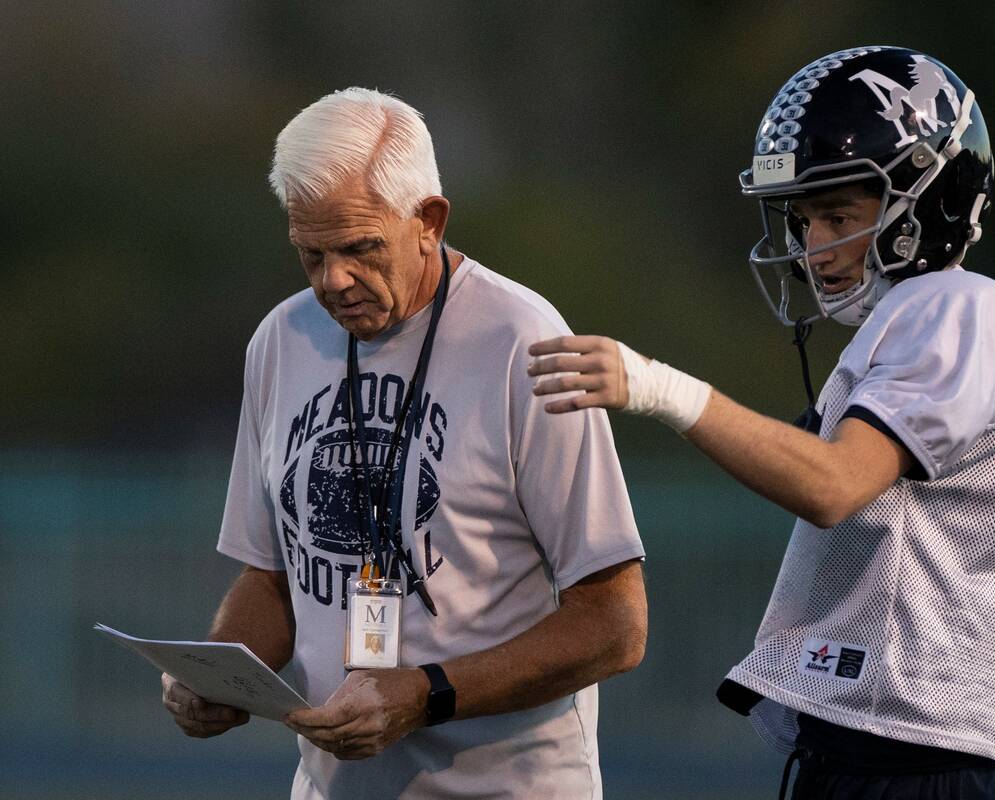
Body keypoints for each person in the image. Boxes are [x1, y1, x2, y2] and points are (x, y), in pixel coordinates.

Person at [529, 46, 995, 799]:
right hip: (870, 744)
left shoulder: (961, 308)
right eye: (806, 219)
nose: (815, 248)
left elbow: (836, 484)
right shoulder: (908, 324)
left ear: (928, 198)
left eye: (838, 214)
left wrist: (661, 388)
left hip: (919, 756)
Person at [159, 87, 648, 800]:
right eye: (310, 254)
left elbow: (615, 624)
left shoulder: (526, 342)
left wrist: (426, 692)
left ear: (428, 220)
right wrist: (221, 675)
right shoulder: (280, 340)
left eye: (359, 249)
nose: (334, 281)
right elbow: (272, 576)